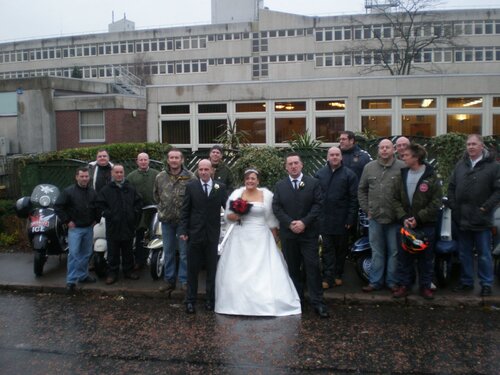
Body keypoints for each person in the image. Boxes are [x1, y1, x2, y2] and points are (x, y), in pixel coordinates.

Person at [216, 168, 301, 316]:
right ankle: (238, 303)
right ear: (244, 180)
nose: (250, 181)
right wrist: (237, 214)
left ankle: (265, 303)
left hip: (261, 235)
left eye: (253, 178)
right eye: (248, 178)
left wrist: (275, 236)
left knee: (264, 268)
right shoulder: (237, 194)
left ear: (258, 180)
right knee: (239, 268)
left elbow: (271, 218)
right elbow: (228, 217)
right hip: (241, 236)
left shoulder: (266, 195)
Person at [273, 153, 329, 318]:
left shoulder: (313, 183)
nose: (293, 166)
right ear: (286, 167)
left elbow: (318, 205)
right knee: (292, 268)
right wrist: (290, 223)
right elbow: (276, 208)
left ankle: (318, 302)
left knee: (312, 267)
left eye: (296, 163)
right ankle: (296, 301)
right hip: (289, 235)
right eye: (290, 164)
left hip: (308, 233)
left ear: (301, 165)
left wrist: (304, 222)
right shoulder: (280, 185)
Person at [448, 134, 500, 297]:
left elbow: (498, 191)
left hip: (482, 219)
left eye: (474, 144)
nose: (470, 147)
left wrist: (485, 208)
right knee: (464, 253)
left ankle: (486, 284)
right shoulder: (460, 165)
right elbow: (451, 187)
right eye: (468, 144)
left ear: (481, 146)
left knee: (484, 254)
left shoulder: (493, 166)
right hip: (462, 218)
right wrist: (454, 207)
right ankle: (466, 281)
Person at [391, 144, 442, 300]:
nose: (403, 157)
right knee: (404, 258)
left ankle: (425, 287)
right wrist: (404, 218)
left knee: (426, 259)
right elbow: (394, 199)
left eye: (406, 155)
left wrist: (418, 218)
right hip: (405, 225)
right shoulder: (402, 174)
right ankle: (405, 286)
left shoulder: (431, 176)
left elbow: (436, 202)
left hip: (426, 225)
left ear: (416, 157)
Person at [180, 159, 228, 314]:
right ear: (198, 171)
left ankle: (210, 300)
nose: (204, 172)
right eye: (201, 169)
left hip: (212, 235)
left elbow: (228, 207)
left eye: (206, 169)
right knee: (192, 270)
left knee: (212, 270)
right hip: (194, 234)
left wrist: (240, 211)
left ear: (211, 171)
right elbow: (185, 211)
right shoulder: (191, 187)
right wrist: (183, 231)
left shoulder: (220, 187)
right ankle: (190, 301)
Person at [358, 139, 405, 293]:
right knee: (377, 251)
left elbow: (407, 192)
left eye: (387, 147)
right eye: (381, 147)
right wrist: (367, 209)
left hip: (394, 218)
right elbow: (362, 190)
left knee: (394, 251)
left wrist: (402, 213)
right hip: (375, 218)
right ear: (378, 150)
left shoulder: (402, 167)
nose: (384, 150)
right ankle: (375, 282)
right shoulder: (369, 168)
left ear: (394, 150)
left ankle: (392, 282)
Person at [314, 146, 358, 289]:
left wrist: (350, 219)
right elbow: (315, 198)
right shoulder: (319, 174)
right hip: (324, 220)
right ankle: (327, 277)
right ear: (327, 157)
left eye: (337, 154)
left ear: (341, 157)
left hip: (342, 221)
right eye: (331, 155)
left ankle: (338, 275)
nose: (334, 157)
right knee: (327, 250)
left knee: (341, 250)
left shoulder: (349, 175)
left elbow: (353, 199)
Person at [154, 148, 196, 293]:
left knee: (184, 253)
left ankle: (184, 280)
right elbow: (157, 196)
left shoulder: (190, 177)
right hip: (166, 222)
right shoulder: (160, 177)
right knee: (169, 252)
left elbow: (195, 198)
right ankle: (169, 280)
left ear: (182, 160)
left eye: (176, 157)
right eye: (171, 157)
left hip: (184, 223)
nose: (174, 160)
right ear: (168, 160)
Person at [55, 167, 100, 292]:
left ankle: (83, 276)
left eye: (86, 176)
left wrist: (97, 219)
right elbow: (58, 207)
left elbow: (97, 207)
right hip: (75, 229)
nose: (85, 178)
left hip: (88, 228)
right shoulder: (68, 192)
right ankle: (70, 281)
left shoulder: (92, 192)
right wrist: (67, 221)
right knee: (74, 254)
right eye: (82, 176)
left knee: (86, 254)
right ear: (77, 177)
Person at [96, 164, 143, 285]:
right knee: (113, 252)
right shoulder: (106, 190)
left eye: (121, 172)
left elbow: (138, 202)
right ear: (112, 173)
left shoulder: (130, 188)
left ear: (124, 173)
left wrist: (134, 213)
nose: (119, 174)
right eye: (116, 172)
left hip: (128, 225)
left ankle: (128, 271)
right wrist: (108, 214)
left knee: (128, 251)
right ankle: (112, 273)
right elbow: (100, 205)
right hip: (113, 226)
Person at [127, 152, 159, 270]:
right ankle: (140, 260)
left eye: (145, 160)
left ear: (149, 161)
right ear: (137, 162)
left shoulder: (157, 174)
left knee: (156, 234)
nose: (143, 162)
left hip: (155, 210)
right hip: (139, 211)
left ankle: (156, 258)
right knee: (141, 235)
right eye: (141, 160)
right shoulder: (131, 176)